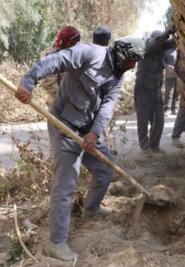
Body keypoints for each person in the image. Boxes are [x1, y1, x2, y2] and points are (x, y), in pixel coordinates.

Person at [15, 39, 143, 261]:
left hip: (87, 130)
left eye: (135, 63)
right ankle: (56, 243)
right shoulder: (88, 53)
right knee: (66, 185)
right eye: (131, 61)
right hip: (63, 126)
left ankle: (91, 208)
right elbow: (55, 61)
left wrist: (95, 132)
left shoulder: (117, 75)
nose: (132, 66)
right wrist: (28, 81)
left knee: (104, 171)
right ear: (121, 54)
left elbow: (107, 105)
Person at [134, 30, 172, 153]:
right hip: (143, 90)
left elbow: (172, 43)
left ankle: (154, 145)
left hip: (156, 90)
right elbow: (156, 43)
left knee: (159, 120)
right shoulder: (146, 48)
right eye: (159, 40)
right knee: (143, 120)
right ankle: (145, 147)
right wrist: (168, 32)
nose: (161, 43)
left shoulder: (161, 51)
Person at [39, 26, 81, 107]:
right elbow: (48, 82)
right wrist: (65, 97)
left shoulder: (74, 56)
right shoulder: (53, 56)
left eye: (76, 43)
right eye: (72, 43)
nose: (74, 46)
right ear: (64, 41)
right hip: (58, 104)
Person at [162, 39, 178, 114]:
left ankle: (175, 108)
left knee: (177, 92)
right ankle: (167, 108)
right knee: (169, 92)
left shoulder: (179, 51)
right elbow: (162, 61)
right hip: (169, 74)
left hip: (178, 74)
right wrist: (167, 66)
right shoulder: (166, 52)